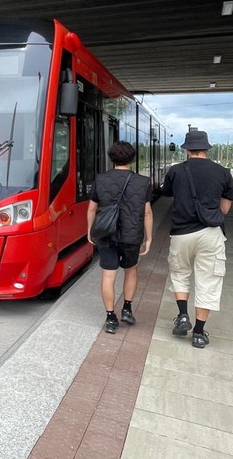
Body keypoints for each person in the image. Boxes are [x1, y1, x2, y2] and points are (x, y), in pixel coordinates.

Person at [161, 130, 233, 348]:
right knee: (208, 280)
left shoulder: (176, 171)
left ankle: (183, 315)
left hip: (181, 233)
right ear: (206, 148)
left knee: (180, 273)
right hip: (211, 233)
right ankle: (199, 333)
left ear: (186, 149)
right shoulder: (222, 172)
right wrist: (217, 215)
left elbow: (168, 194)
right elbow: (228, 200)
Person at [87, 141, 154, 334]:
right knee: (130, 270)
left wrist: (90, 231)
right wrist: (148, 238)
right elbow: (147, 213)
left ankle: (110, 318)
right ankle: (127, 308)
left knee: (109, 275)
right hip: (131, 235)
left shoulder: (100, 179)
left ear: (112, 158)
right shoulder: (142, 182)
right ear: (132, 158)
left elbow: (92, 208)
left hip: (107, 234)